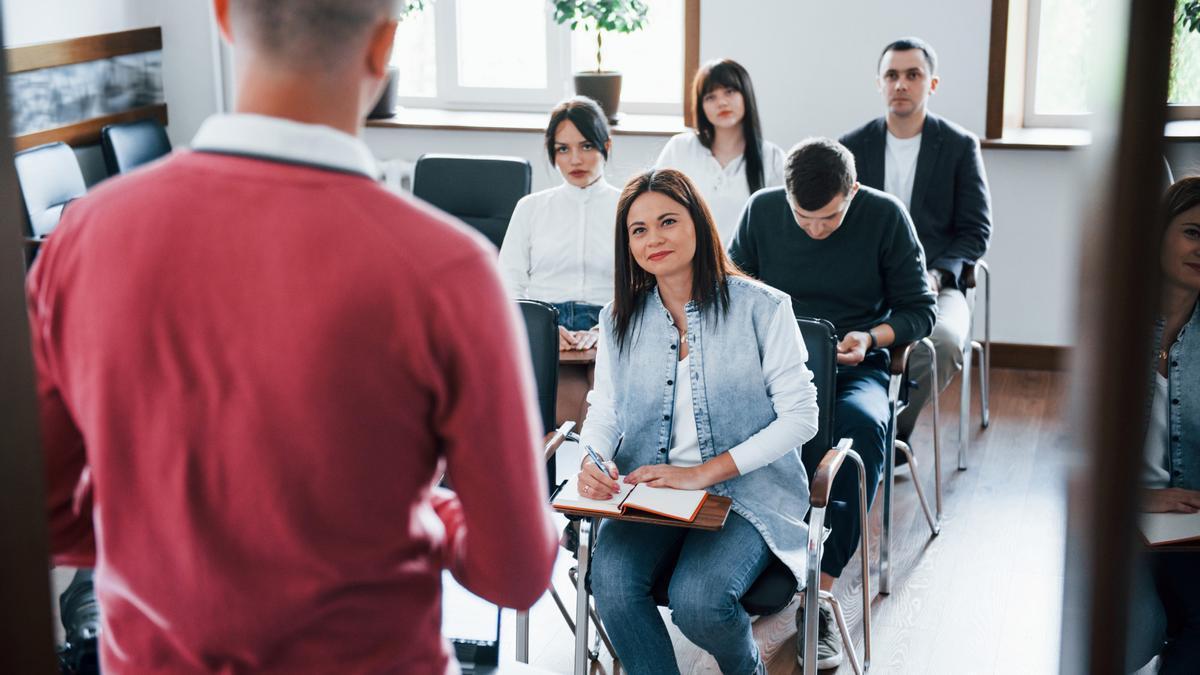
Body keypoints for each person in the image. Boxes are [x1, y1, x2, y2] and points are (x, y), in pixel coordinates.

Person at [26, 1, 558, 672]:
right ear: (383, 45)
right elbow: (514, 570)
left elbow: (37, 507)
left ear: (222, 17)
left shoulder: (83, 234)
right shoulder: (449, 270)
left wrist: (163, 523)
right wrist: (428, 510)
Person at [579, 169, 818, 675]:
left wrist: (703, 473)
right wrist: (592, 459)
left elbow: (802, 417)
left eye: (667, 221)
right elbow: (606, 408)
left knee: (700, 603)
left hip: (744, 494)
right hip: (648, 490)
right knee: (613, 587)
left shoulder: (764, 308)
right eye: (638, 230)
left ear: (699, 224)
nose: (653, 239)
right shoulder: (618, 317)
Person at [728, 138, 936, 669]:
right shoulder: (761, 211)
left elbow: (919, 310)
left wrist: (871, 337)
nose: (815, 228)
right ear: (788, 198)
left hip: (852, 366)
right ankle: (744, 565)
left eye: (829, 217)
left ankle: (816, 598)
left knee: (861, 432)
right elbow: (730, 292)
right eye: (804, 217)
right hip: (771, 368)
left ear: (854, 192)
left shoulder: (886, 217)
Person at [839, 37, 992, 447]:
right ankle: (856, 426)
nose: (901, 84)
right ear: (879, 83)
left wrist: (939, 275)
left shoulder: (959, 146)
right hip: (867, 283)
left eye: (913, 75)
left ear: (932, 84)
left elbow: (976, 231)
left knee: (941, 343)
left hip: (936, 283)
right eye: (892, 75)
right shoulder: (850, 146)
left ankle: (893, 433)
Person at [1130, 176, 1200, 674]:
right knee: (1137, 633)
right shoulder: (1115, 325)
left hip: (1191, 527)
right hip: (1120, 525)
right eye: (1193, 232)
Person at [499, 96, 620, 351]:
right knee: (563, 386)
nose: (575, 160)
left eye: (586, 146)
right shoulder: (530, 208)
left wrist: (604, 330)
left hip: (611, 323)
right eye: (563, 149)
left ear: (606, 146)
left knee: (598, 384)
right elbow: (508, 283)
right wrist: (542, 328)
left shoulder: (628, 208)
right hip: (544, 321)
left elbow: (644, 285)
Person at [654, 58, 786, 244]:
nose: (721, 102)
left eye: (729, 92)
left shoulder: (772, 158)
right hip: (688, 263)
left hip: (745, 269)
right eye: (710, 97)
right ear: (701, 106)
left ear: (746, 95)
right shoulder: (680, 148)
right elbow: (655, 208)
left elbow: (779, 225)